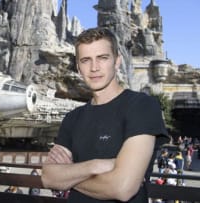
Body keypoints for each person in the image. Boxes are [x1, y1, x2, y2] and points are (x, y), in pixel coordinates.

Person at [41, 27, 169, 203]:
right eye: (86, 60)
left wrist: (69, 175)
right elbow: (48, 177)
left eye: (102, 58)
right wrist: (95, 166)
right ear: (78, 67)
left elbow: (122, 188)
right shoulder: (73, 118)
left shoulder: (142, 106)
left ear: (117, 61)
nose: (94, 67)